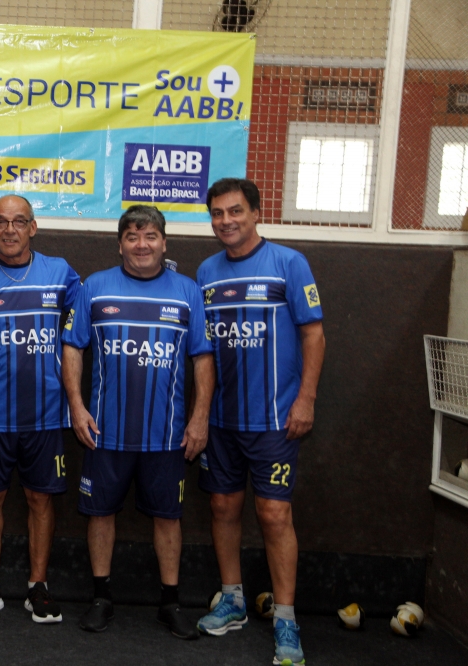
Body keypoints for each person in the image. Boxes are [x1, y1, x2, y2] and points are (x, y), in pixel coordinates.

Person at [61, 205, 213, 639]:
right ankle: (101, 598)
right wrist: (76, 406)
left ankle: (170, 604)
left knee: (168, 518)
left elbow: (203, 359)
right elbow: (72, 347)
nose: (141, 245)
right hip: (104, 432)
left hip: (167, 436)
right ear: (120, 244)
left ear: (164, 242)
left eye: (149, 236)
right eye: (132, 236)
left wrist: (200, 418)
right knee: (100, 514)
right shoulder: (95, 287)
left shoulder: (188, 291)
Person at [193, 178, 325, 666]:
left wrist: (306, 399)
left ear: (255, 213)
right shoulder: (206, 271)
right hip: (222, 421)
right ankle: (232, 599)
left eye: (235, 211)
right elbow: (204, 350)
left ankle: (286, 618)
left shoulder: (289, 263)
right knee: (222, 507)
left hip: (275, 419)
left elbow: (314, 335)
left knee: (273, 515)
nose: (226, 221)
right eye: (217, 213)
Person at [0, 195, 81, 623]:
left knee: (40, 499)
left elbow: (80, 331)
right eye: (1, 222)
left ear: (32, 228)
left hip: (46, 415)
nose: (10, 230)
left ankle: (38, 586)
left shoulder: (60, 273)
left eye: (19, 221)